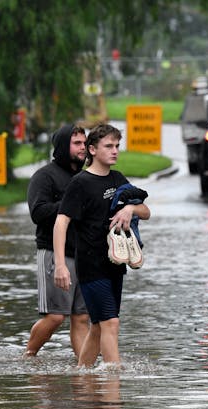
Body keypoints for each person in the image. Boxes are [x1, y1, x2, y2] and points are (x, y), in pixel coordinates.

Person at [53, 123, 150, 368]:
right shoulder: (80, 183)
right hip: (90, 265)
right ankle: (112, 382)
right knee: (111, 323)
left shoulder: (118, 179)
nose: (115, 150)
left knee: (97, 327)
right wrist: (61, 265)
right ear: (92, 150)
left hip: (115, 263)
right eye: (109, 146)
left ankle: (82, 376)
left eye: (117, 146)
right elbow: (61, 223)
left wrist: (130, 208)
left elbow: (146, 211)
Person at [24, 124, 90, 358]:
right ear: (63, 146)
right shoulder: (44, 176)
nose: (83, 148)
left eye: (84, 143)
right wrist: (69, 204)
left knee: (82, 317)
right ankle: (28, 356)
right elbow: (37, 213)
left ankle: (85, 370)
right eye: (77, 144)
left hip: (84, 255)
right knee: (55, 317)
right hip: (53, 253)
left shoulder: (85, 177)